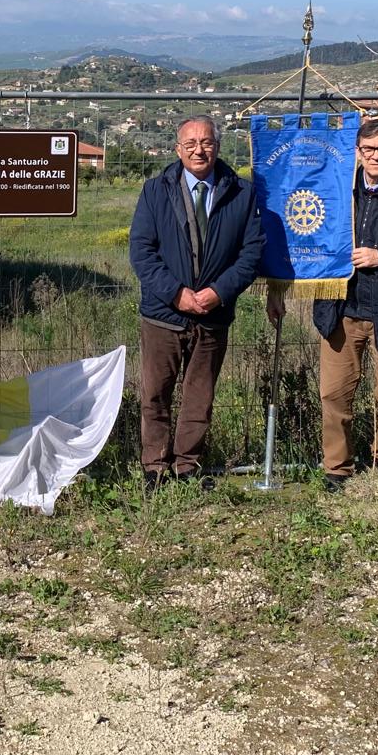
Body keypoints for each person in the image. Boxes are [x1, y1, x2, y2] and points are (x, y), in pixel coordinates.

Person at [274, 118, 378, 490]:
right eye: (369, 149)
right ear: (357, 153)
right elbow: (303, 242)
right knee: (334, 392)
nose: (377, 155)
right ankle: (337, 467)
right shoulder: (334, 193)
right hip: (339, 310)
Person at [128, 115, 264, 488]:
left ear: (218, 147)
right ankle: (154, 466)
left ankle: (188, 465)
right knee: (155, 393)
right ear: (178, 149)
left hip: (213, 313)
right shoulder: (155, 190)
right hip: (163, 314)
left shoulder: (242, 192)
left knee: (199, 395)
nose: (198, 150)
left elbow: (251, 253)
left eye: (205, 142)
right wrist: (176, 293)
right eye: (190, 144)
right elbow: (142, 251)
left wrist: (218, 292)